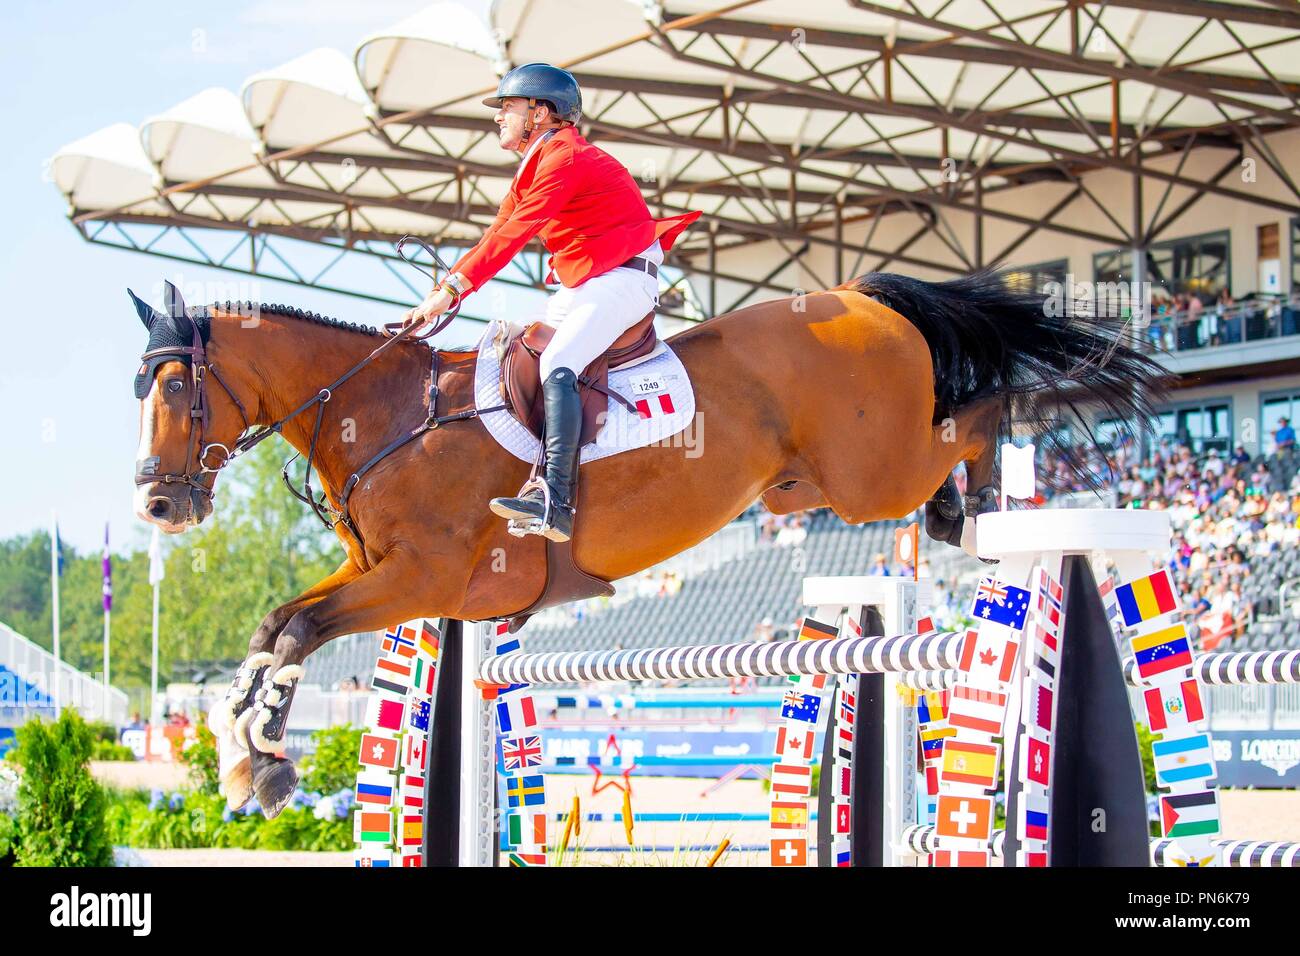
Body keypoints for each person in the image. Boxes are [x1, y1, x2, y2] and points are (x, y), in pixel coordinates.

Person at [400, 64, 701, 542]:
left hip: (622, 279)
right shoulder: (533, 166)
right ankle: (526, 475)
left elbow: (518, 233)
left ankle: (555, 501)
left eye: (508, 108)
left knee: (560, 359)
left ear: (539, 113)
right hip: (588, 283)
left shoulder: (565, 156)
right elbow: (497, 231)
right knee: (516, 352)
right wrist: (441, 292)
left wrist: (453, 290)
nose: (499, 118)